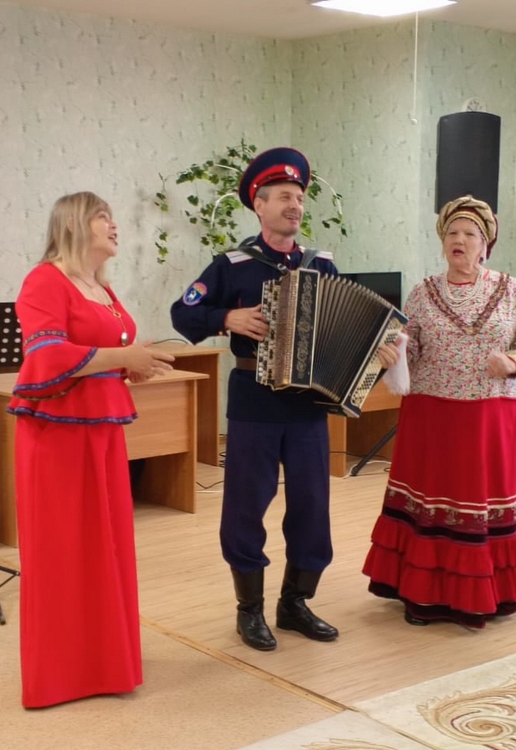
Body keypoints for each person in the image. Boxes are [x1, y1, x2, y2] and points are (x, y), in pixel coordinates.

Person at [170, 147, 343, 652]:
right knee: (246, 507)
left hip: (308, 406)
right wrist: (226, 318)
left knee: (312, 506)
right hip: (253, 402)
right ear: (259, 205)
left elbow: (340, 326)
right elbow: (183, 313)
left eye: (299, 198)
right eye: (284, 197)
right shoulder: (232, 266)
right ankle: (249, 610)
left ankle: (295, 603)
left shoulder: (322, 265)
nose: (295, 205)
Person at [8, 191, 175, 708]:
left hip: (100, 430)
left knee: (105, 544)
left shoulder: (101, 287)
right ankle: (60, 675)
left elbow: (104, 352)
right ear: (74, 223)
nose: (114, 225)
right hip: (56, 433)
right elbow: (47, 353)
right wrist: (124, 356)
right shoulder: (44, 280)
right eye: (104, 216)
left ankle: (105, 662)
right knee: (64, 549)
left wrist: (132, 364)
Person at [363, 195, 516, 629]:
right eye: (452, 232)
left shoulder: (511, 289)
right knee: (433, 501)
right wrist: (393, 353)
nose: (459, 240)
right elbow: (411, 350)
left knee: (481, 500)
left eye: (469, 234)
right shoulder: (422, 292)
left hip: (490, 416)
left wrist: (512, 363)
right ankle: (424, 594)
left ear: (485, 245)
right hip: (432, 414)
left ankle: (486, 593)